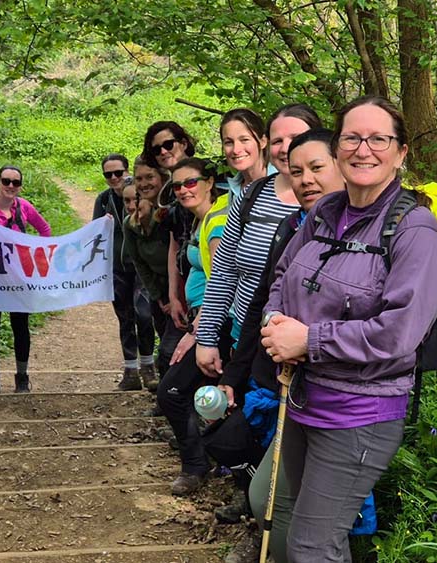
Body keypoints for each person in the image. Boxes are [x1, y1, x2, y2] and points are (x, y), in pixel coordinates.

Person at [261, 96, 437, 561]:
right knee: (298, 528)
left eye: (378, 139)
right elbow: (283, 278)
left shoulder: (416, 232)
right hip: (304, 399)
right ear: (337, 144)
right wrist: (273, 323)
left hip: (358, 415)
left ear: (401, 152)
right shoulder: (324, 214)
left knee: (311, 546)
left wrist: (309, 340)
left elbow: (397, 335)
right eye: (352, 137)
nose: (363, 149)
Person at [217, 128, 344, 563]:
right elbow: (261, 303)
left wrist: (309, 341)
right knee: (270, 497)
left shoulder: (371, 234)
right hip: (295, 386)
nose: (305, 178)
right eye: (296, 170)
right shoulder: (296, 228)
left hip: (349, 399)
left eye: (316, 167)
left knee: (311, 517)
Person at [196, 104, 322, 378]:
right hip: (247, 338)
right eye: (278, 141)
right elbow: (224, 271)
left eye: (297, 139)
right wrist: (207, 338)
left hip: (306, 351)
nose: (287, 148)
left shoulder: (333, 204)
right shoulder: (253, 194)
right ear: (267, 144)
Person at [154, 157, 230, 497]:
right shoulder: (201, 220)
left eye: (191, 182)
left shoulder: (218, 223)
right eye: (177, 186)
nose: (184, 190)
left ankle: (197, 465)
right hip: (205, 318)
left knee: (172, 392)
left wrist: (197, 332)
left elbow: (223, 283)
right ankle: (210, 461)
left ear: (209, 182)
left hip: (217, 323)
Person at [0, 165, 52, 393]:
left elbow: (44, 230)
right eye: (6, 181)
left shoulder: (24, 208)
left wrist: (36, 259)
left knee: (21, 326)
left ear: (20, 186)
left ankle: (22, 376)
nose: (10, 186)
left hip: (19, 280)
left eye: (15, 183)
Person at [93, 153, 156, 391]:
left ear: (127, 170)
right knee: (125, 317)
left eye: (118, 172)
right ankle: (130, 371)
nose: (114, 178)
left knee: (144, 313)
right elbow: (94, 235)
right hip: (116, 268)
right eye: (108, 174)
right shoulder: (103, 200)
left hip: (141, 266)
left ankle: (148, 367)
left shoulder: (139, 193)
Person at [123, 155, 182, 385]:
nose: (145, 183)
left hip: (181, 288)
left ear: (162, 178)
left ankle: (171, 395)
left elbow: (177, 254)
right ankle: (166, 393)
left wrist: (174, 295)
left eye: (150, 177)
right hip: (158, 290)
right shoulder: (131, 224)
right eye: (139, 179)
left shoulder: (171, 212)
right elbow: (139, 263)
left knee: (170, 348)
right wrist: (159, 296)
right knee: (164, 336)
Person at [140, 121, 197, 335]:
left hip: (207, 277)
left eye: (168, 144)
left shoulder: (206, 174)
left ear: (183, 143)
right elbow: (175, 244)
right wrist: (173, 297)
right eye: (157, 149)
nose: (163, 151)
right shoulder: (168, 192)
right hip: (184, 278)